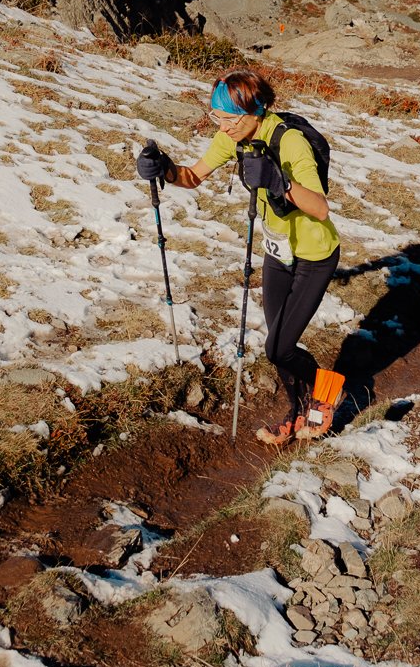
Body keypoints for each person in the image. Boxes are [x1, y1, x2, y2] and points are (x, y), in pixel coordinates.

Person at [136, 69, 340, 446]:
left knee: (276, 346)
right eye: (217, 118)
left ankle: (326, 392)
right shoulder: (234, 137)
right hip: (277, 254)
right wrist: (162, 167)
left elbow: (320, 208)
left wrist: (280, 181)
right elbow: (192, 176)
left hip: (314, 256)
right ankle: (295, 414)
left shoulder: (289, 142)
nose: (224, 127)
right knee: (281, 347)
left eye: (231, 119)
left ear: (257, 111)